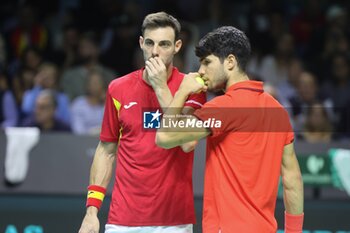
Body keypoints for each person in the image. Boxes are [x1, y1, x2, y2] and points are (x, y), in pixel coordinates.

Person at [155, 26, 304, 233]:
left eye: (207, 62)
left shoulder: (222, 108)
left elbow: (165, 136)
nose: (200, 71)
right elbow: (291, 178)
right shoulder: (278, 111)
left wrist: (182, 91)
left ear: (231, 62)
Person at [78, 12, 206, 233]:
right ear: (141, 43)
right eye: (150, 43)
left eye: (164, 44)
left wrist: (160, 88)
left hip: (173, 221)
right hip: (122, 220)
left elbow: (186, 143)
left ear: (177, 46)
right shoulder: (117, 88)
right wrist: (91, 211)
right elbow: (107, 150)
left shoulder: (192, 87)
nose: (155, 51)